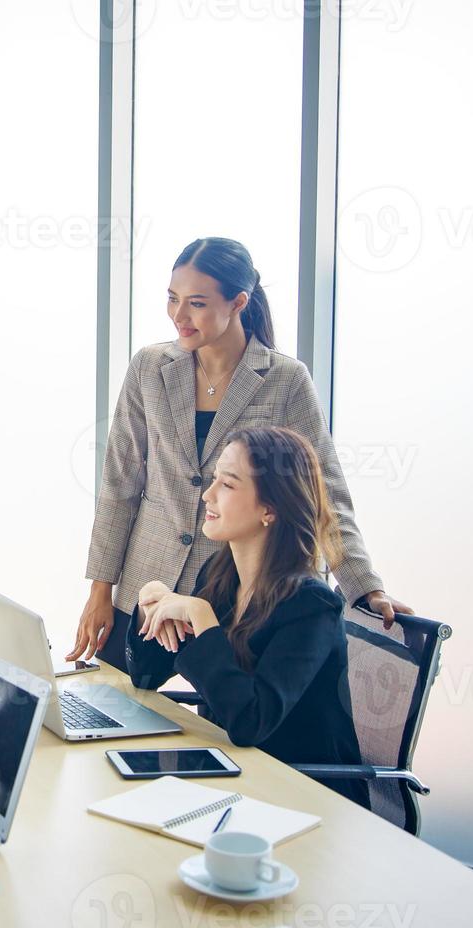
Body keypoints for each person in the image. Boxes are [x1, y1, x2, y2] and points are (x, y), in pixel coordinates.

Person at [71, 236, 411, 686]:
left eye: (196, 303)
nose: (179, 315)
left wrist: (364, 587)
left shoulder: (285, 380)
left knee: (230, 725)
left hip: (236, 598)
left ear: (238, 302)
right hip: (146, 589)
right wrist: (101, 589)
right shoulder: (149, 368)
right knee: (112, 711)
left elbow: (323, 492)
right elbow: (119, 487)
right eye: (172, 299)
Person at [127, 426, 369, 808]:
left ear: (270, 508)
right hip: (235, 779)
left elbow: (250, 722)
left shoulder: (310, 606)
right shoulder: (220, 575)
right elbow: (144, 676)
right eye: (214, 480)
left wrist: (199, 614)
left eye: (228, 484)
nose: (207, 495)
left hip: (305, 798)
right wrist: (149, 606)